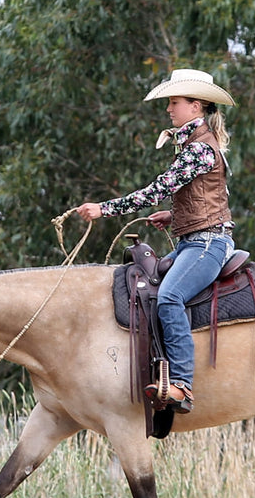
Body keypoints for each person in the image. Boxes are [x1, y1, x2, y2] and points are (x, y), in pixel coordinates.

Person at [77, 69, 236, 414]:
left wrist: (104, 209)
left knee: (168, 297)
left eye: (174, 103)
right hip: (194, 240)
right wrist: (175, 217)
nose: (169, 110)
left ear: (195, 106)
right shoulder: (199, 145)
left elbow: (157, 191)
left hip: (207, 244)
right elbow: (208, 197)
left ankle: (182, 385)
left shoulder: (198, 150)